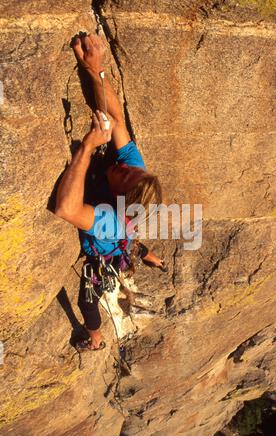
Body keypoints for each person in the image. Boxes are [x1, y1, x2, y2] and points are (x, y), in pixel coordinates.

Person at [55, 32, 167, 352]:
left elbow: (66, 209)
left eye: (124, 175)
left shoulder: (109, 220)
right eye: (131, 169)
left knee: (87, 300)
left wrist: (89, 146)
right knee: (134, 248)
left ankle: (95, 335)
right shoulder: (137, 172)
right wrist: (94, 67)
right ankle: (153, 260)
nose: (123, 166)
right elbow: (116, 119)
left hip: (102, 257)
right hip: (124, 243)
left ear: (120, 199)